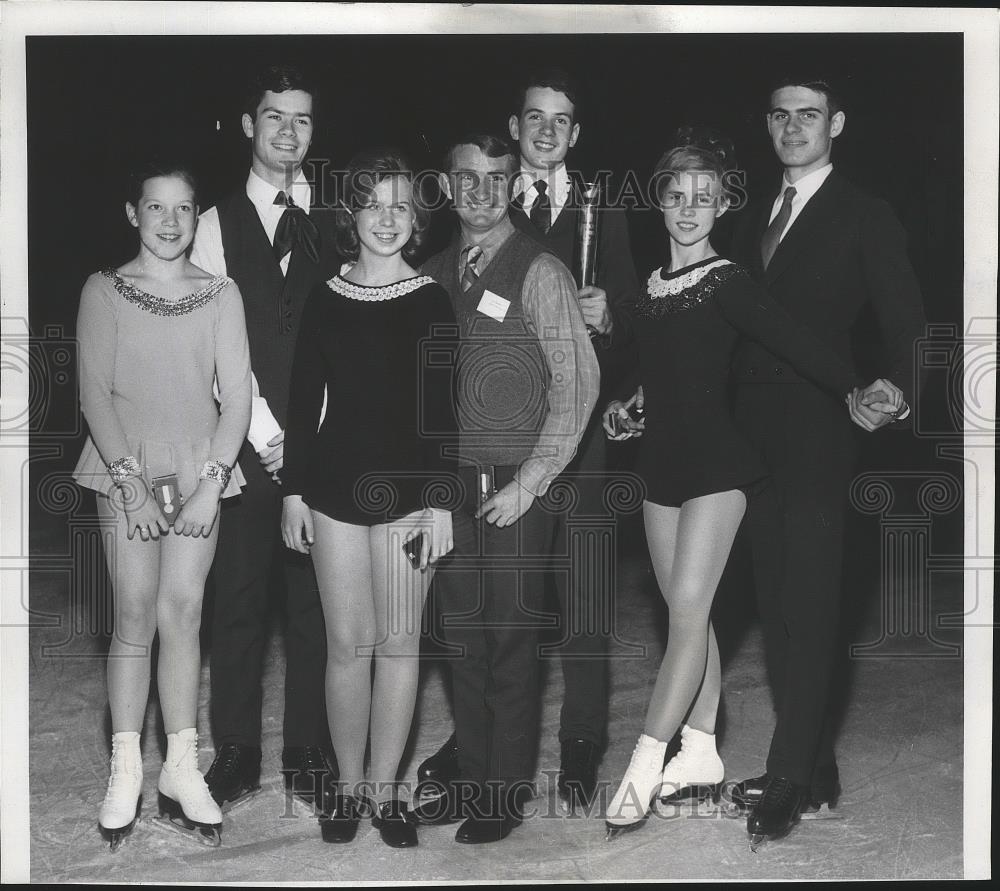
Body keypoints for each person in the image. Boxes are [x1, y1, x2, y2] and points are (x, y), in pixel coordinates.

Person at [600, 129, 888, 839]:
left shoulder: (729, 281)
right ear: (660, 204)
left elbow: (797, 341)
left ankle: (644, 760)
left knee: (692, 612)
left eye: (705, 197)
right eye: (677, 196)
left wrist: (860, 387)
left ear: (724, 204)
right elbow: (652, 368)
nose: (690, 209)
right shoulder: (650, 289)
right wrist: (624, 401)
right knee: (682, 617)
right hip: (660, 468)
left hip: (721, 471)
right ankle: (700, 749)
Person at [419, 65, 641, 813]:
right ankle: (477, 759)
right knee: (470, 625)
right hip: (468, 469)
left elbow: (600, 357)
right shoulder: (442, 258)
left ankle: (542, 766)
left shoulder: (572, 238)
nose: (478, 192)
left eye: (561, 120)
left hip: (543, 458)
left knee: (547, 614)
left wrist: (610, 315)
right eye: (533, 117)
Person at [728, 77, 926, 848]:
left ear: (836, 123)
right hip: (748, 435)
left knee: (809, 600)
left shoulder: (865, 213)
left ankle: (786, 777)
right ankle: (812, 760)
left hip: (820, 426)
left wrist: (899, 388)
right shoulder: (751, 215)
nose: (792, 127)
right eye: (779, 114)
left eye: (808, 115)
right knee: (774, 596)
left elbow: (907, 317)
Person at [410, 134, 600, 843]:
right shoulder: (429, 274)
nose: (481, 191)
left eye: (496, 178)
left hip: (518, 483)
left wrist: (534, 479)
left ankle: (504, 790)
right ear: (446, 184)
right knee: (461, 637)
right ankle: (474, 772)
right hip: (449, 488)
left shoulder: (540, 269)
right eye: (467, 177)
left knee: (511, 637)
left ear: (513, 182)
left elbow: (578, 382)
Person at [73, 160, 252, 849]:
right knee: (135, 611)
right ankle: (126, 766)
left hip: (199, 466)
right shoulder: (105, 289)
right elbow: (94, 394)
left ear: (195, 215)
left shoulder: (221, 293)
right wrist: (130, 481)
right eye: (156, 208)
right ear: (133, 213)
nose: (170, 222)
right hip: (128, 468)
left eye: (183, 209)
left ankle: (181, 764)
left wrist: (212, 478)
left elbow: (235, 394)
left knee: (186, 610)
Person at [280, 149, 456, 849]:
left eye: (400, 205)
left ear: (415, 219)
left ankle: (388, 792)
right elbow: (301, 404)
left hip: (413, 499)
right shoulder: (325, 295)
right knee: (348, 648)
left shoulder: (432, 298)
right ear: (350, 215)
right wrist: (293, 489)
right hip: (331, 491)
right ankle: (349, 788)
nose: (387, 218)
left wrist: (442, 501)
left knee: (401, 647)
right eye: (372, 203)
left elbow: (443, 410)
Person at [190, 63, 340, 810]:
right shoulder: (212, 226)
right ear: (249, 125)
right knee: (240, 601)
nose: (288, 131)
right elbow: (220, 351)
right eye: (274, 116)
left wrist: (311, 440)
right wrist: (270, 436)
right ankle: (238, 753)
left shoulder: (341, 218)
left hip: (323, 446)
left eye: (302, 119)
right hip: (246, 449)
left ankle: (311, 752)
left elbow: (353, 332)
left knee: (316, 604)